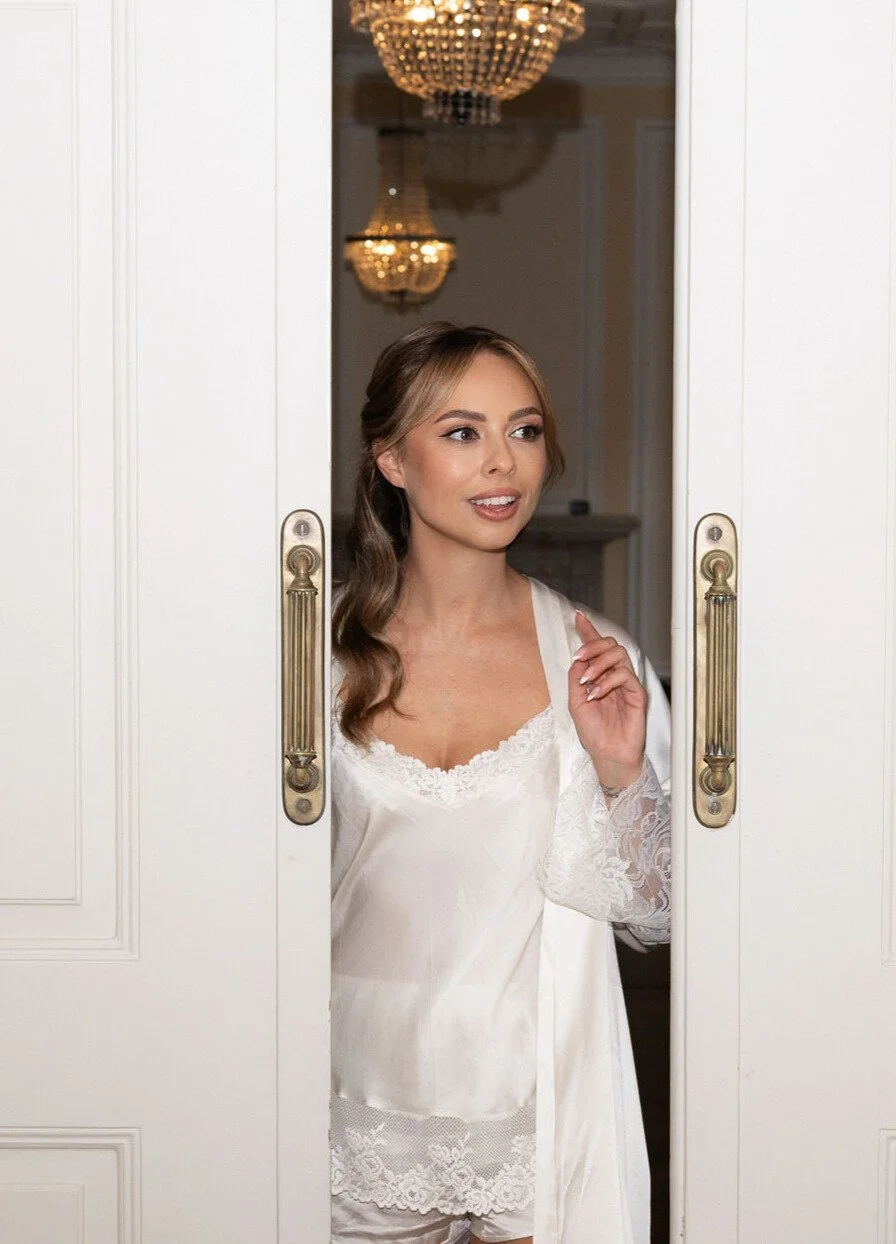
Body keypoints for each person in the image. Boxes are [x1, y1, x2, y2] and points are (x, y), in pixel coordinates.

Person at [330, 322, 671, 1244]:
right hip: (347, 1101)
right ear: (392, 461)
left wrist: (621, 769)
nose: (503, 466)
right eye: (461, 432)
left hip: (534, 1108)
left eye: (523, 432)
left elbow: (653, 914)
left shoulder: (598, 662)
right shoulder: (319, 664)